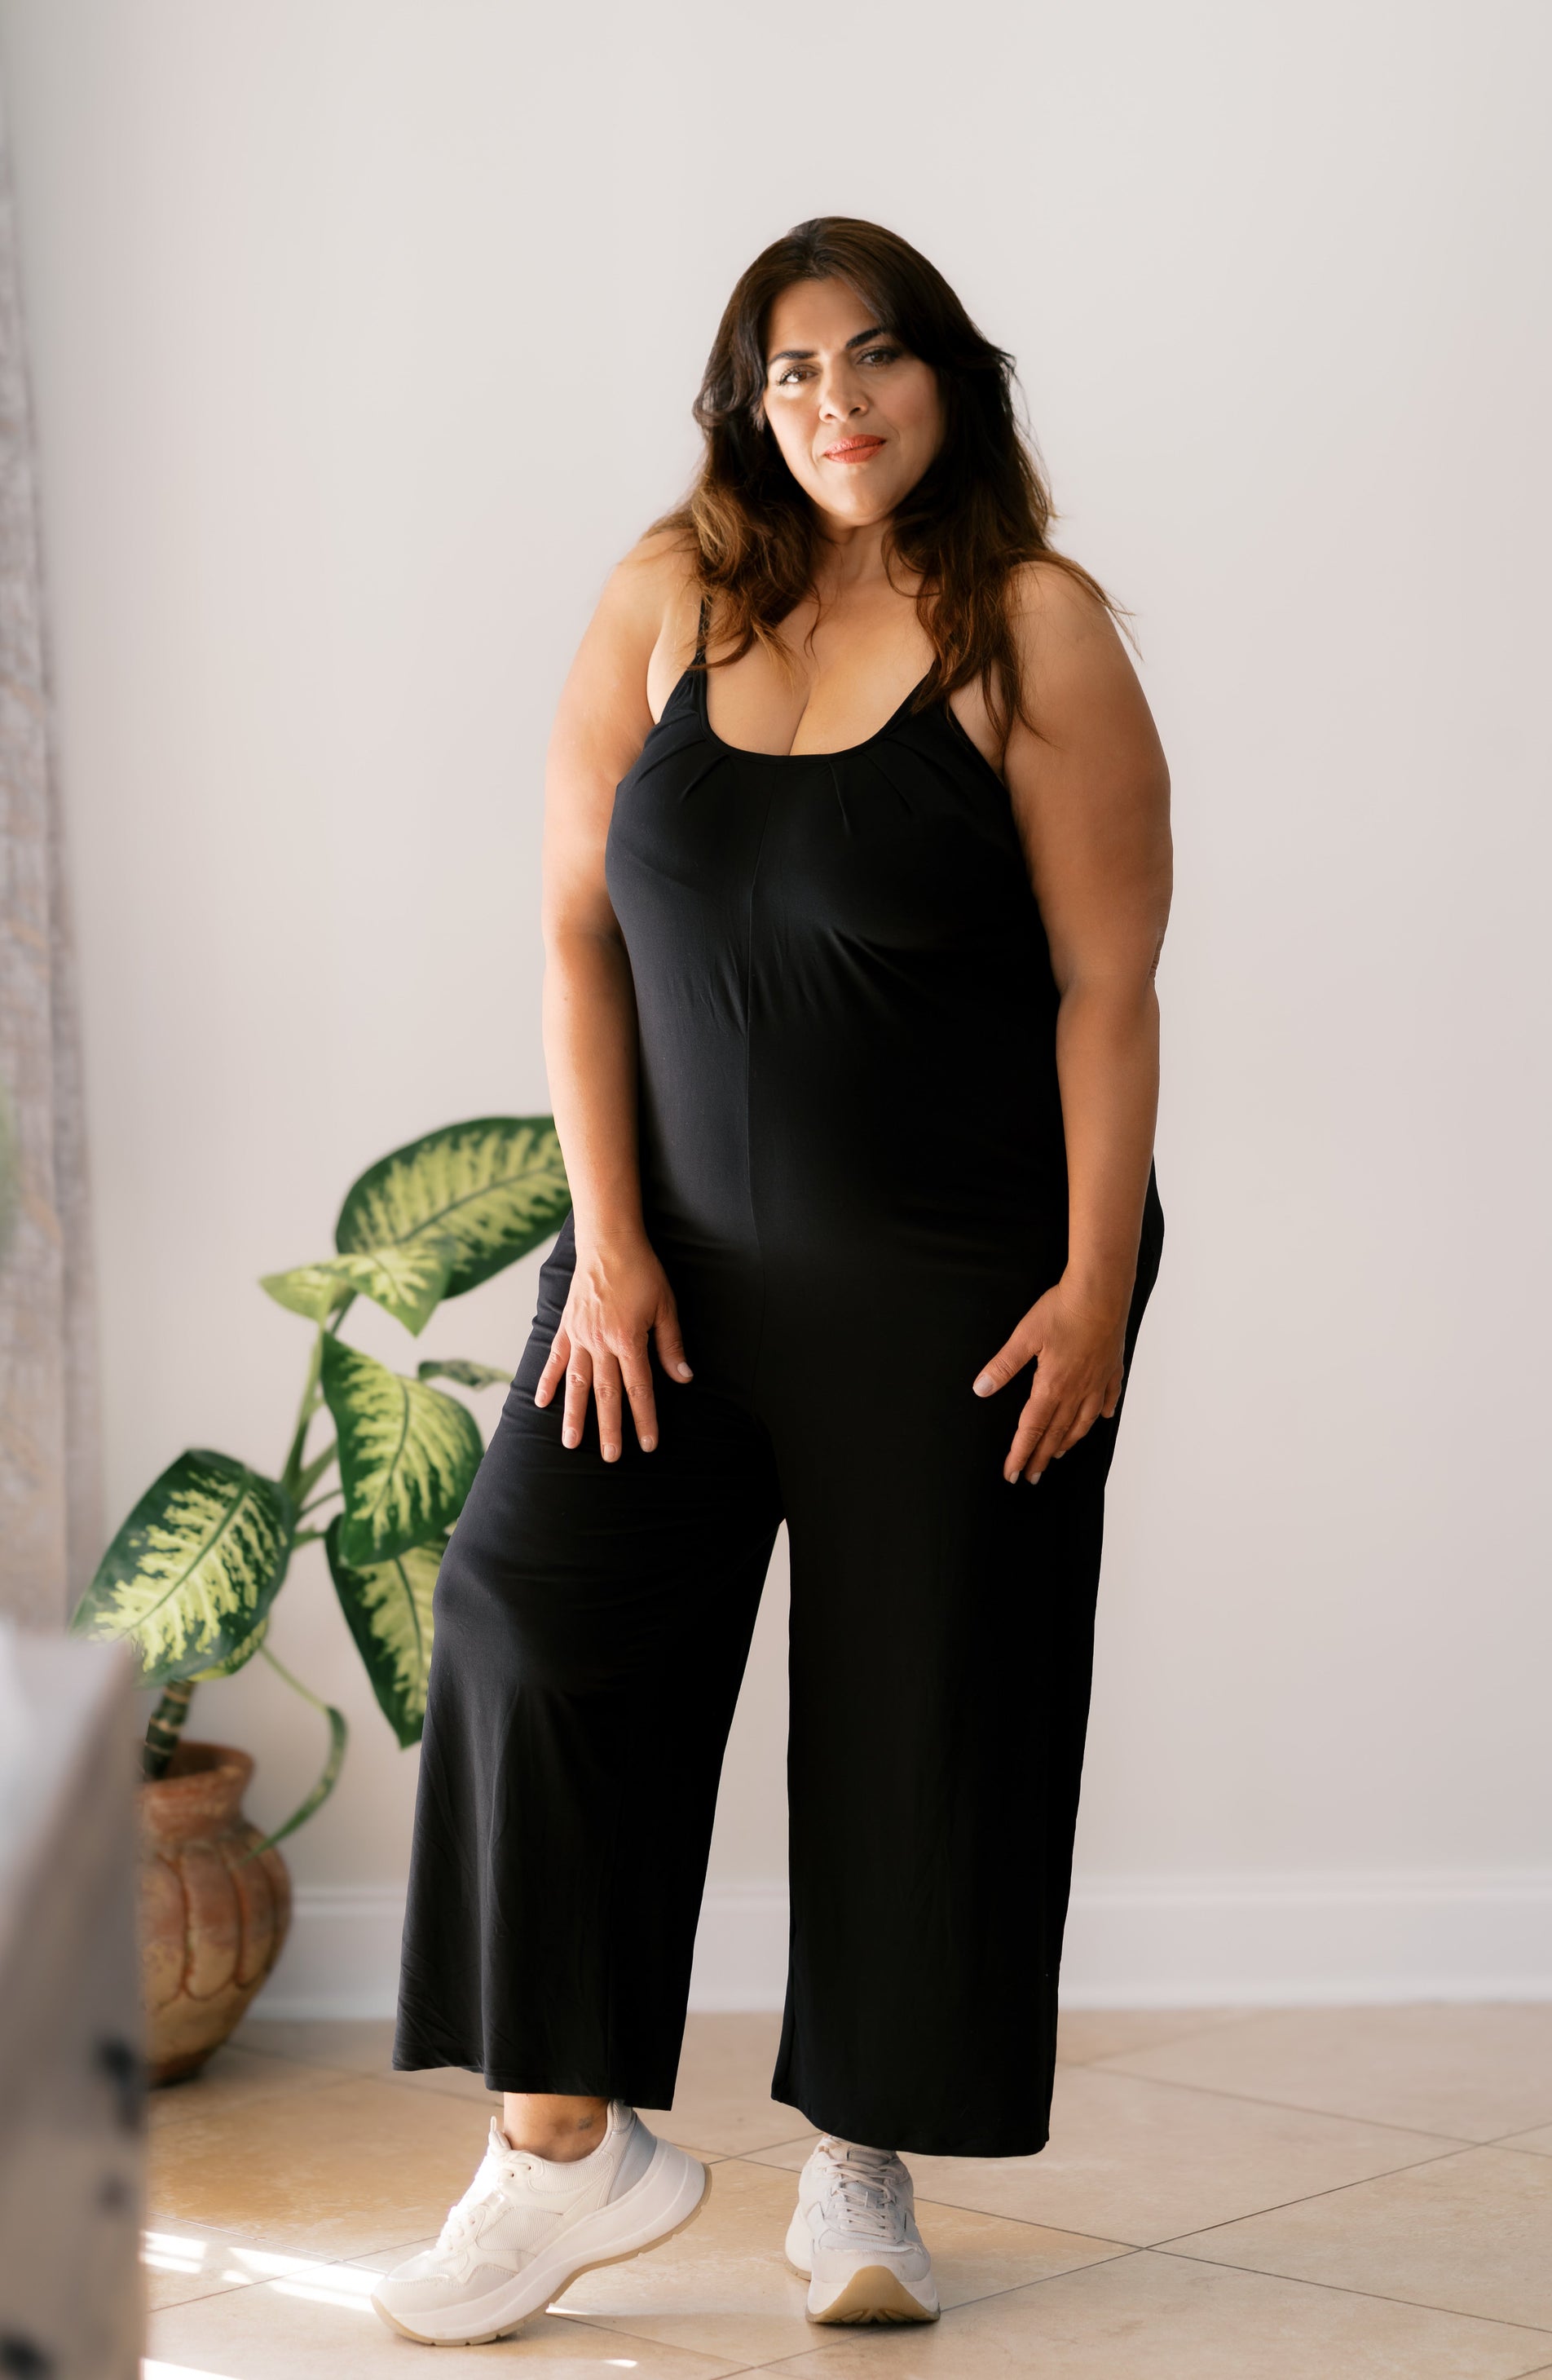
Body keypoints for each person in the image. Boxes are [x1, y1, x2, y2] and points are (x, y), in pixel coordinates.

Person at [373, 215, 1171, 2349]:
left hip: (970, 1283)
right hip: (662, 1267)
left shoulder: (1031, 628)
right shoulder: (666, 598)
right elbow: (575, 933)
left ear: (951, 380)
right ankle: (561, 2148)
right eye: (791, 368)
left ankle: (861, 2168)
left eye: (876, 355)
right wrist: (607, 1242)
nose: (837, 401)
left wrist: (1096, 1283)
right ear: (745, 403)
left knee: (924, 1716)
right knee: (530, 1624)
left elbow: (1107, 985)